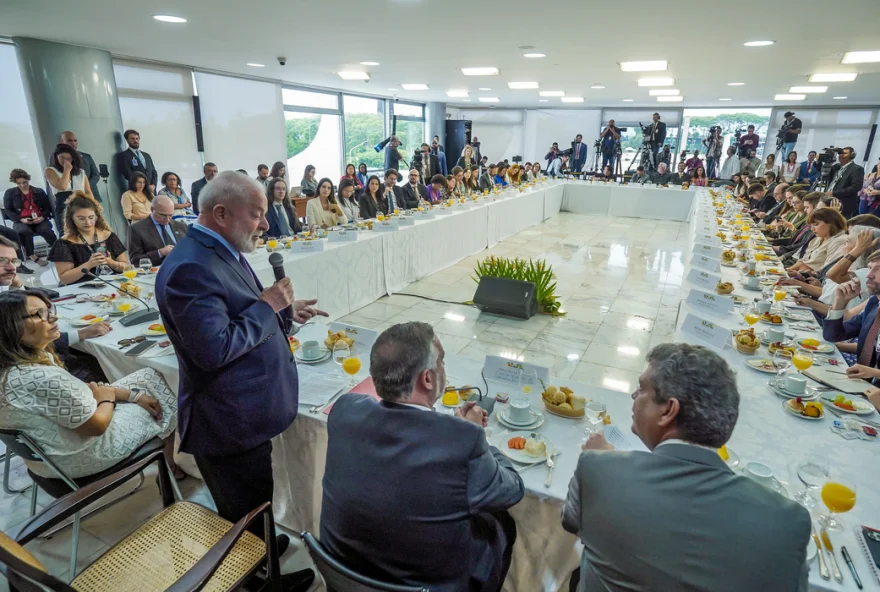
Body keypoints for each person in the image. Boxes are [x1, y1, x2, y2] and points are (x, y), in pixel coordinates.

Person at [155, 172, 325, 590]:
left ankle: (261, 545)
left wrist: (283, 310)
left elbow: (238, 309)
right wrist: (268, 305)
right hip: (228, 421)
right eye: (257, 215)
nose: (265, 224)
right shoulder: (189, 269)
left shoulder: (219, 247)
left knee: (255, 500)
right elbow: (213, 350)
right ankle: (259, 580)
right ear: (220, 213)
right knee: (242, 507)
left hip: (247, 409)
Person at [562, 343, 810, 592]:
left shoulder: (597, 470)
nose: (633, 396)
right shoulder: (787, 523)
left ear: (668, 410)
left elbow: (571, 521)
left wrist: (607, 461)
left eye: (641, 388)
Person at [321, 322, 524, 592]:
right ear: (427, 378)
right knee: (501, 523)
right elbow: (512, 489)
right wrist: (478, 436)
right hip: (429, 586)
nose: (444, 369)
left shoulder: (345, 409)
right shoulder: (462, 439)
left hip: (345, 574)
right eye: (441, 362)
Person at [0, 288, 181, 480]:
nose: (53, 318)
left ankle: (171, 456)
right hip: (83, 456)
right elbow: (95, 427)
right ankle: (172, 464)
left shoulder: (18, 363)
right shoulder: (38, 375)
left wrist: (132, 396)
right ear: (9, 326)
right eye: (39, 314)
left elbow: (69, 394)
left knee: (149, 376)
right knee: (163, 397)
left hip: (48, 455)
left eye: (49, 310)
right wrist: (107, 400)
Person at [0, 238, 110, 383]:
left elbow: (42, 310)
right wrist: (81, 333)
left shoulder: (6, 289)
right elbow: (23, 339)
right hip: (30, 373)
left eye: (14, 261)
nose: (12, 268)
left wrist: (19, 288)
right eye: (2, 260)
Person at [49, 193, 129, 285]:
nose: (87, 222)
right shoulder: (64, 243)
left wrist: (112, 263)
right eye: (81, 218)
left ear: (96, 217)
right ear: (71, 219)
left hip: (113, 284)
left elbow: (126, 267)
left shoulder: (109, 236)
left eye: (91, 217)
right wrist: (89, 264)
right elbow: (65, 279)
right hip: (82, 289)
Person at [823, 251, 880, 381]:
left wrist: (875, 373)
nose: (869, 275)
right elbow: (833, 336)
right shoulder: (874, 303)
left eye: (878, 269)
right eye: (870, 268)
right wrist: (839, 303)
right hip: (858, 380)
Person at [4, 169, 56, 266]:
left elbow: (47, 208)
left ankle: (58, 250)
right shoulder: (10, 193)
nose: (22, 185)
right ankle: (32, 255)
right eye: (19, 183)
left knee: (46, 230)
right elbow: (8, 210)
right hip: (21, 220)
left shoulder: (39, 191)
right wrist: (21, 219)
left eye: (25, 182)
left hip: (39, 219)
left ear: (28, 180)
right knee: (23, 231)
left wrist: (42, 217)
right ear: (15, 182)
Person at [127, 194, 188, 267]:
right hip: (156, 272)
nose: (167, 219)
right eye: (163, 215)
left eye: (170, 215)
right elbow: (135, 260)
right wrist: (160, 253)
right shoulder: (137, 229)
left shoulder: (181, 226)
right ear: (152, 210)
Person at [45, 143, 94, 225]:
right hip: (64, 204)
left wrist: (92, 206)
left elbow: (88, 191)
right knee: (67, 232)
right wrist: (66, 170)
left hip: (81, 202)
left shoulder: (80, 172)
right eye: (62, 158)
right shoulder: (50, 170)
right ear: (56, 157)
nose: (66, 161)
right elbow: (62, 186)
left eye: (69, 158)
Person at [787, 208, 848, 274]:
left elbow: (827, 270)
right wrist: (786, 271)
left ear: (831, 223)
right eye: (811, 225)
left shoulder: (839, 241)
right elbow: (803, 262)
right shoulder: (817, 239)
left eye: (816, 224)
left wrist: (799, 275)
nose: (812, 229)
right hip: (801, 275)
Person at [59, 131, 101, 202]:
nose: (73, 143)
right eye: (69, 140)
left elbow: (96, 175)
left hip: (91, 195)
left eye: (75, 140)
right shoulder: (57, 158)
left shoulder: (86, 156)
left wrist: (85, 187)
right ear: (62, 141)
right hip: (71, 198)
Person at [827, 147, 866, 218]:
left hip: (844, 203)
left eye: (844, 153)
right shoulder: (836, 167)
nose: (841, 155)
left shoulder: (857, 169)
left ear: (852, 155)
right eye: (840, 153)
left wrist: (835, 193)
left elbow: (856, 187)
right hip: (830, 200)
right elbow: (824, 175)